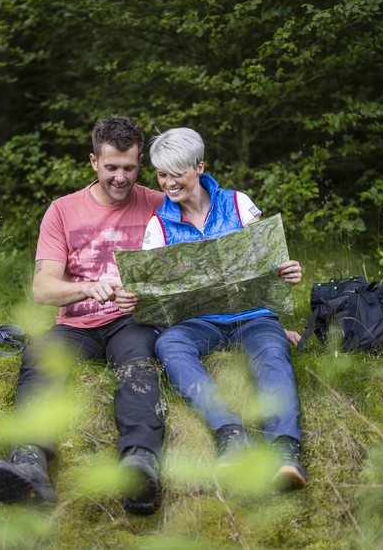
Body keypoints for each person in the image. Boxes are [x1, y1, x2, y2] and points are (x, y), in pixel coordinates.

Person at [0, 115, 167, 515]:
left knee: (138, 363)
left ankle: (139, 464)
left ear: (140, 164)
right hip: (77, 324)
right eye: (111, 168)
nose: (121, 177)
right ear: (93, 162)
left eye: (130, 168)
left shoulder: (159, 203)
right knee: (39, 358)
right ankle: (29, 464)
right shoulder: (62, 211)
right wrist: (87, 287)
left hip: (132, 321)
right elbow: (42, 288)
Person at [127, 126, 307, 491]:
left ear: (199, 166)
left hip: (253, 316)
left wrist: (286, 271)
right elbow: (154, 293)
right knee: (169, 345)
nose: (169, 183)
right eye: (162, 174)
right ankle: (230, 434)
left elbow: (269, 260)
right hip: (198, 322)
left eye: (177, 172)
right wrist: (137, 295)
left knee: (273, 354)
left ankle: (284, 453)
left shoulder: (237, 203)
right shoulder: (158, 225)